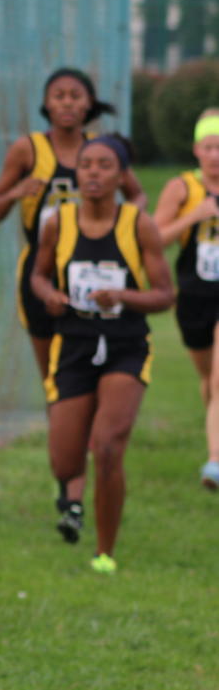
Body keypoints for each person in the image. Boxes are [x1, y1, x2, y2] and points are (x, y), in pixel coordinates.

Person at [0, 67, 144, 540]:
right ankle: (71, 493)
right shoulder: (28, 151)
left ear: (90, 103)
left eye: (77, 96)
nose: (69, 103)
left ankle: (81, 486)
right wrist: (17, 192)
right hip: (43, 282)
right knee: (60, 385)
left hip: (98, 284)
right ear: (46, 104)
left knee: (95, 384)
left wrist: (129, 235)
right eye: (59, 95)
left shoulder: (103, 153)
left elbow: (138, 196)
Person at [31, 134, 172, 574]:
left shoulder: (138, 225)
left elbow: (166, 295)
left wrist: (124, 297)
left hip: (125, 347)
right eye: (86, 164)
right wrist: (49, 294)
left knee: (108, 446)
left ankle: (105, 552)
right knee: (65, 460)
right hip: (72, 345)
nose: (92, 172)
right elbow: (37, 275)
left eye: (104, 165)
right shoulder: (58, 222)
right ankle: (72, 499)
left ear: (120, 175)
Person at [151, 108, 219, 490]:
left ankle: (214, 462)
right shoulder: (182, 188)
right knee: (209, 380)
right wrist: (194, 216)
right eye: (209, 147)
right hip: (193, 296)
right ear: (197, 150)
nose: (216, 155)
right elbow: (154, 239)